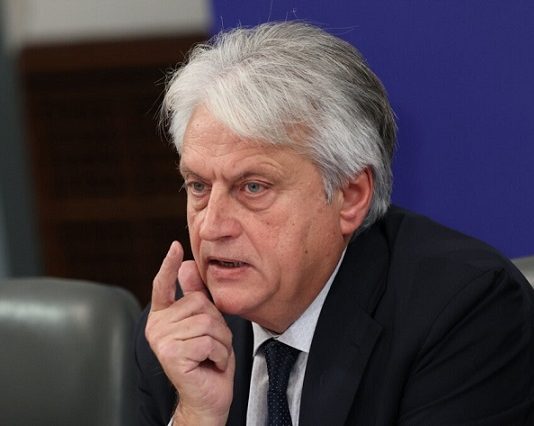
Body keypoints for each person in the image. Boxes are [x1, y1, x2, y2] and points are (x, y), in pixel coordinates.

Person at [134, 21, 534, 425]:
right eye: (199, 186)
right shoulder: (180, 334)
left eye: (253, 187)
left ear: (351, 197)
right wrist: (197, 415)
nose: (210, 227)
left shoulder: (463, 313)